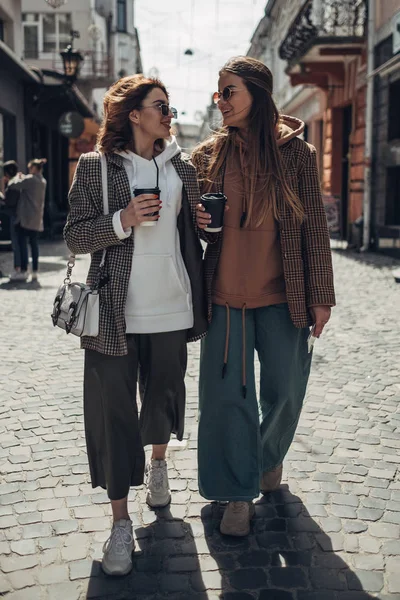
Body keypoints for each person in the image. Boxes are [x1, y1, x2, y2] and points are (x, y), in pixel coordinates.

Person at [64, 74, 207, 576]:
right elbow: (75, 237)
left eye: (170, 106)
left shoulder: (182, 167)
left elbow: (197, 227)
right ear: (135, 115)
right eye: (161, 106)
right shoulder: (95, 168)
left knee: (165, 392)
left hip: (172, 305)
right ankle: (120, 523)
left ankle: (160, 462)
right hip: (113, 313)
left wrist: (204, 221)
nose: (169, 114)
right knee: (114, 413)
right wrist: (122, 219)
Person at [192, 56, 335, 537]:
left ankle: (266, 456)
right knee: (226, 400)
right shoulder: (209, 154)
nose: (221, 101)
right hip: (226, 298)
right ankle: (237, 493)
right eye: (219, 92)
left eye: (229, 91)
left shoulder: (298, 155)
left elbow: (315, 228)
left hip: (284, 295)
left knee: (286, 390)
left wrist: (322, 296)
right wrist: (198, 224)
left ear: (257, 92)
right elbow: (196, 231)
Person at [7, 158, 47, 281]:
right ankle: (34, 270)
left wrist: (17, 177)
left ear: (34, 168)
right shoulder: (42, 181)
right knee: (34, 245)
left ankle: (24, 270)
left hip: (25, 218)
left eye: (30, 168)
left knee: (22, 244)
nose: (29, 170)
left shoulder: (30, 180)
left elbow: (12, 184)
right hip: (36, 219)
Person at [0, 161, 22, 279]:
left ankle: (18, 268)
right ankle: (19, 268)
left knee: (16, 244)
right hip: (17, 216)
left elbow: (10, 203)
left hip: (15, 217)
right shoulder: (16, 182)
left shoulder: (13, 185)